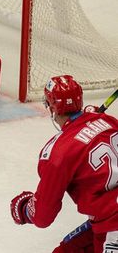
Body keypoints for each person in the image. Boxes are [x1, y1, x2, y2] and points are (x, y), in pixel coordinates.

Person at [10, 75, 118, 252]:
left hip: (113, 223)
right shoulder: (109, 121)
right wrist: (91, 118)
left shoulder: (58, 151)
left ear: (53, 108)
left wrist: (24, 208)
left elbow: (43, 215)